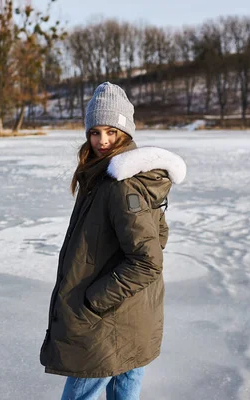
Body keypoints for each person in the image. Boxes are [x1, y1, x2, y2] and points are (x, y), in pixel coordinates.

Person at [39, 82, 187, 400]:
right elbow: (157, 235)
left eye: (111, 132)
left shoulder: (122, 184)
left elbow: (147, 260)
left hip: (109, 320)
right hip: (130, 314)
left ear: (125, 133)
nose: (102, 141)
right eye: (95, 132)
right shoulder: (101, 176)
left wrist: (95, 301)